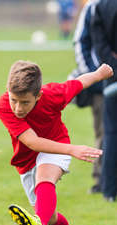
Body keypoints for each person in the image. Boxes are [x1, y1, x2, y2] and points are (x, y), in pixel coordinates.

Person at [0, 60, 113, 225]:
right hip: (27, 160)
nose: (18, 108)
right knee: (49, 221)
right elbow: (32, 142)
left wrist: (98, 73)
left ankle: (37, 222)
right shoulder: (4, 106)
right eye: (14, 100)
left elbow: (79, 83)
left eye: (25, 102)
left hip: (55, 145)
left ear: (38, 96)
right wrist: (72, 150)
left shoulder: (53, 94)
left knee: (45, 179)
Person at [68, 0, 103, 194]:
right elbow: (80, 41)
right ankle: (101, 180)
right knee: (104, 132)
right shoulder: (93, 6)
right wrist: (92, 76)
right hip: (101, 84)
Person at [91, 0, 117, 202]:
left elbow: (99, 45)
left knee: (111, 134)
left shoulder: (102, 6)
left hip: (112, 80)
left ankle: (109, 190)